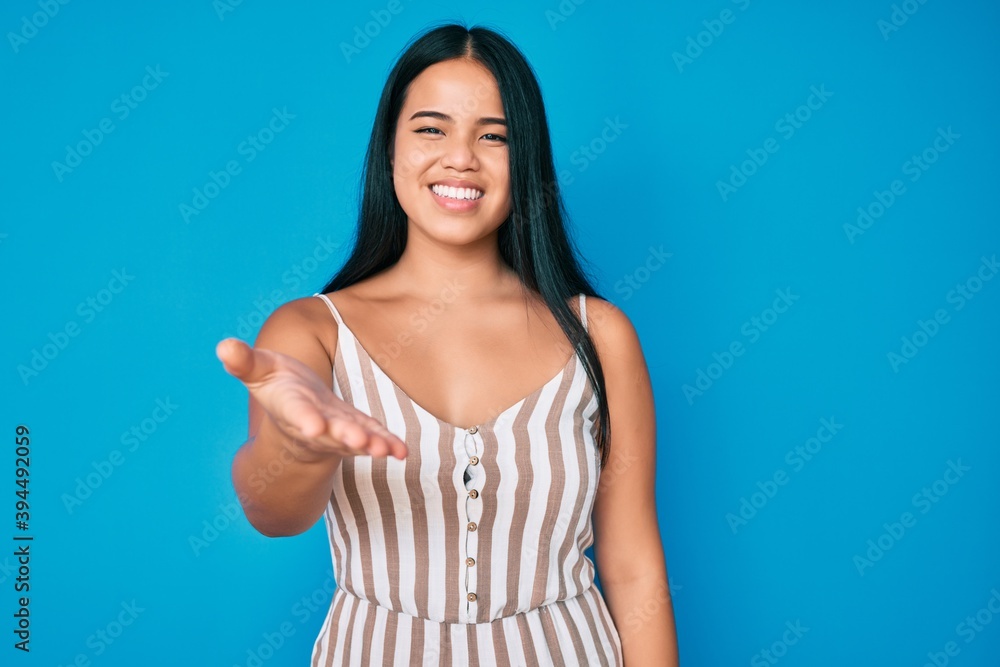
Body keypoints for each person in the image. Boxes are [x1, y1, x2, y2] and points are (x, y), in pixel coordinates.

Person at [216, 22, 678, 666]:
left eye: (494, 135)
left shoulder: (600, 336)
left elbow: (633, 567)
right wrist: (298, 447)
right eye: (431, 129)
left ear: (528, 161)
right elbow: (272, 512)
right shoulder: (311, 332)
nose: (461, 157)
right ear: (389, 150)